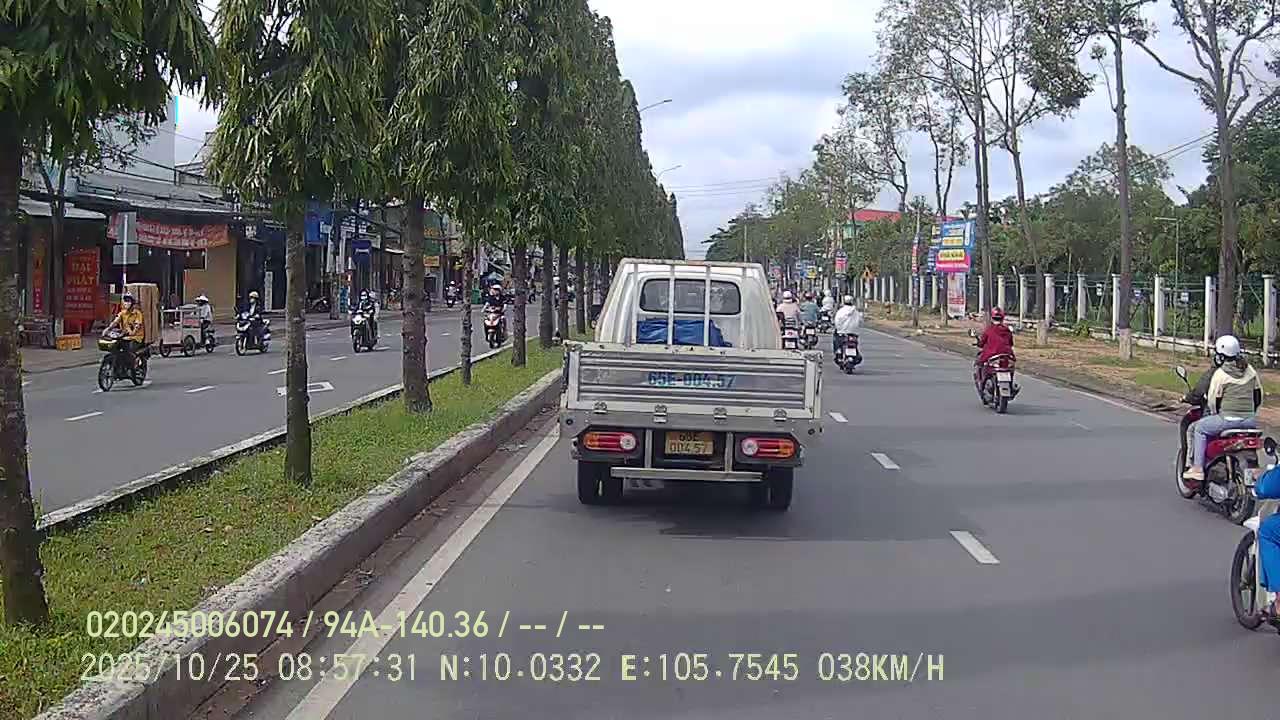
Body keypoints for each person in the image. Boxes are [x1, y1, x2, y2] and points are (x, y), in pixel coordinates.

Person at [1182, 335, 1264, 482]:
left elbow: (1213, 401)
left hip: (1227, 420)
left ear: (1220, 356)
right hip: (1250, 421)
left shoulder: (1220, 374)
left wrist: (1216, 415)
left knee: (1199, 429)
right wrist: (1250, 413)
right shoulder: (1250, 371)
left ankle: (1197, 469)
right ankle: (1254, 473)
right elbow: (1258, 395)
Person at [105, 292, 146, 368]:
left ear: (132, 303)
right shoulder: (122, 313)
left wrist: (132, 331)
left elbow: (137, 326)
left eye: (129, 301)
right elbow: (115, 322)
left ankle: (134, 364)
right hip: (124, 336)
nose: (127, 303)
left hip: (136, 337)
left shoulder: (137, 313)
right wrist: (107, 329)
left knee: (129, 349)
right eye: (125, 301)